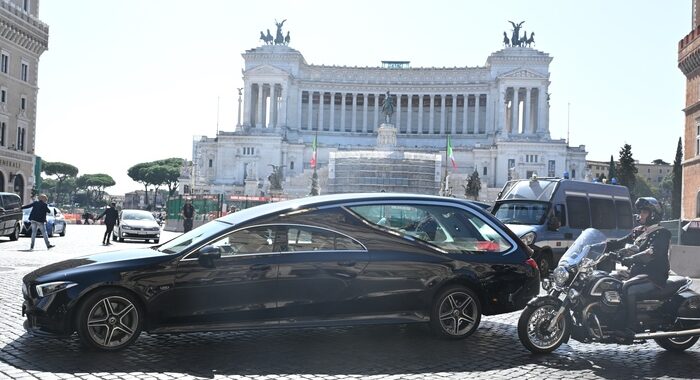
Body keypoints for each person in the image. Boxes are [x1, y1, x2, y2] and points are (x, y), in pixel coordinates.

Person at [606, 197, 670, 336]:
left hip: (654, 275)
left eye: (644, 212)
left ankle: (630, 326)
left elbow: (651, 253)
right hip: (636, 273)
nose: (640, 215)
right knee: (609, 280)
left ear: (653, 214)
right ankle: (612, 319)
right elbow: (620, 242)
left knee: (628, 288)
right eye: (640, 212)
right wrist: (603, 246)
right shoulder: (639, 231)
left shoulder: (662, 233)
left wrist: (630, 259)